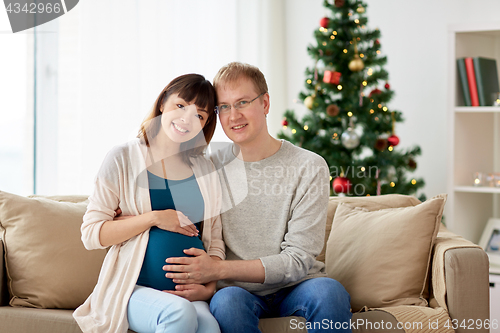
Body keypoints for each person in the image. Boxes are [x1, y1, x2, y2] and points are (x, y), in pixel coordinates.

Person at [163, 62, 352, 332]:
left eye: (242, 102)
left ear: (265, 103)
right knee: (227, 302)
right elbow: (169, 201)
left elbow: (298, 260)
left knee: (329, 292)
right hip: (238, 292)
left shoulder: (308, 166)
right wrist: (130, 211)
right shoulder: (209, 166)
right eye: (224, 107)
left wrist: (218, 270)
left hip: (299, 286)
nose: (233, 115)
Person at [73, 74, 225, 333]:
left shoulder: (204, 168)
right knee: (179, 314)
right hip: (131, 288)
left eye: (199, 115)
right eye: (181, 106)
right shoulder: (123, 157)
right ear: (163, 102)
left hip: (190, 294)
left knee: (211, 327)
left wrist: (209, 285)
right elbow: (91, 234)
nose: (188, 119)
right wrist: (154, 217)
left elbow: (216, 241)